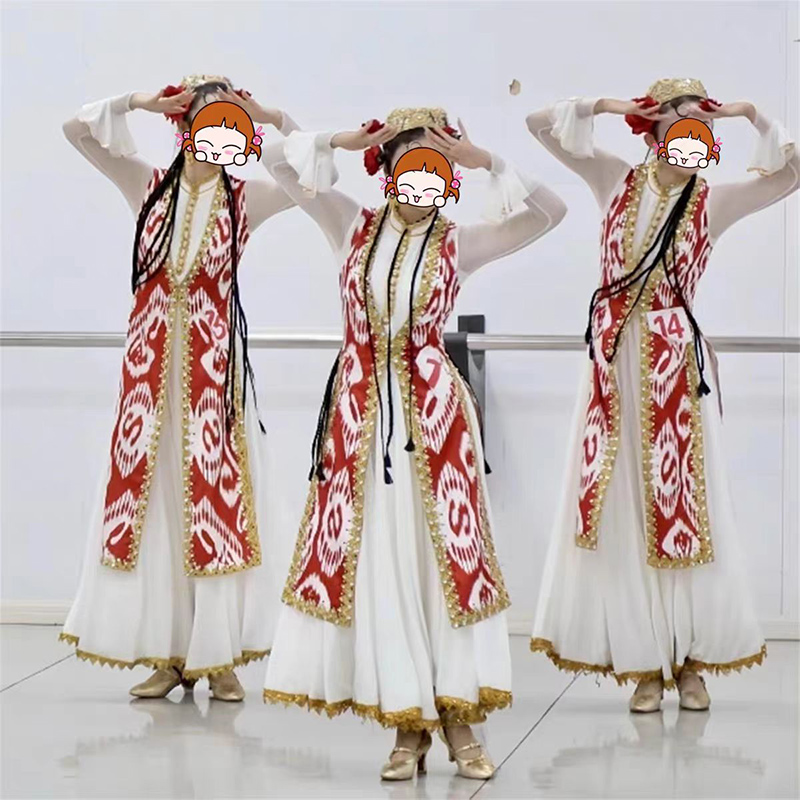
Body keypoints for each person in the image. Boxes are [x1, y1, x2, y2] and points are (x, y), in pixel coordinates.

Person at [260, 107, 567, 779]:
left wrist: (484, 159)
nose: (424, 177)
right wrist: (344, 141)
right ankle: (408, 724)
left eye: (438, 164)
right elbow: (278, 162)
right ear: (388, 166)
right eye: (412, 162)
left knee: (442, 565)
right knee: (384, 564)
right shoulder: (348, 223)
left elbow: (552, 212)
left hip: (435, 419)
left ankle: (460, 719)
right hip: (361, 420)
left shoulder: (460, 243)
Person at [527, 78, 799, 712]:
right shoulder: (612, 179)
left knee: (684, 503)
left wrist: (751, 113)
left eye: (702, 122)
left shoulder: (714, 201)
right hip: (613, 363)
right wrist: (607, 106)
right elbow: (539, 125)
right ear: (652, 129)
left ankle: (691, 659)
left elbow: (792, 174)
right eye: (678, 120)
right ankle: (645, 660)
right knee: (622, 503)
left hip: (674, 365)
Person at [60, 74, 297, 701]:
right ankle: (170, 655)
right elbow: (76, 131)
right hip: (149, 379)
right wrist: (137, 102)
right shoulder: (146, 186)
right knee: (157, 507)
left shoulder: (247, 199)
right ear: (185, 126)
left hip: (212, 380)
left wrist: (271, 115)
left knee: (212, 505)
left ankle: (218, 657)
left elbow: (310, 177)